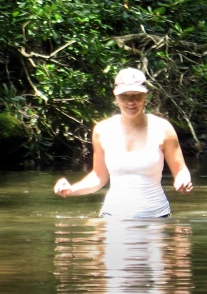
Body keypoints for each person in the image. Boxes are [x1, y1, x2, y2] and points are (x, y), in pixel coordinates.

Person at [53, 68, 193, 218]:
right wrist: (71, 189)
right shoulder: (102, 130)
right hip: (112, 217)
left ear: (145, 95)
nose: (131, 102)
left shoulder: (162, 129)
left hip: (157, 218)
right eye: (124, 96)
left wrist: (183, 180)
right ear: (115, 96)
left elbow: (180, 170)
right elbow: (99, 177)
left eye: (137, 96)